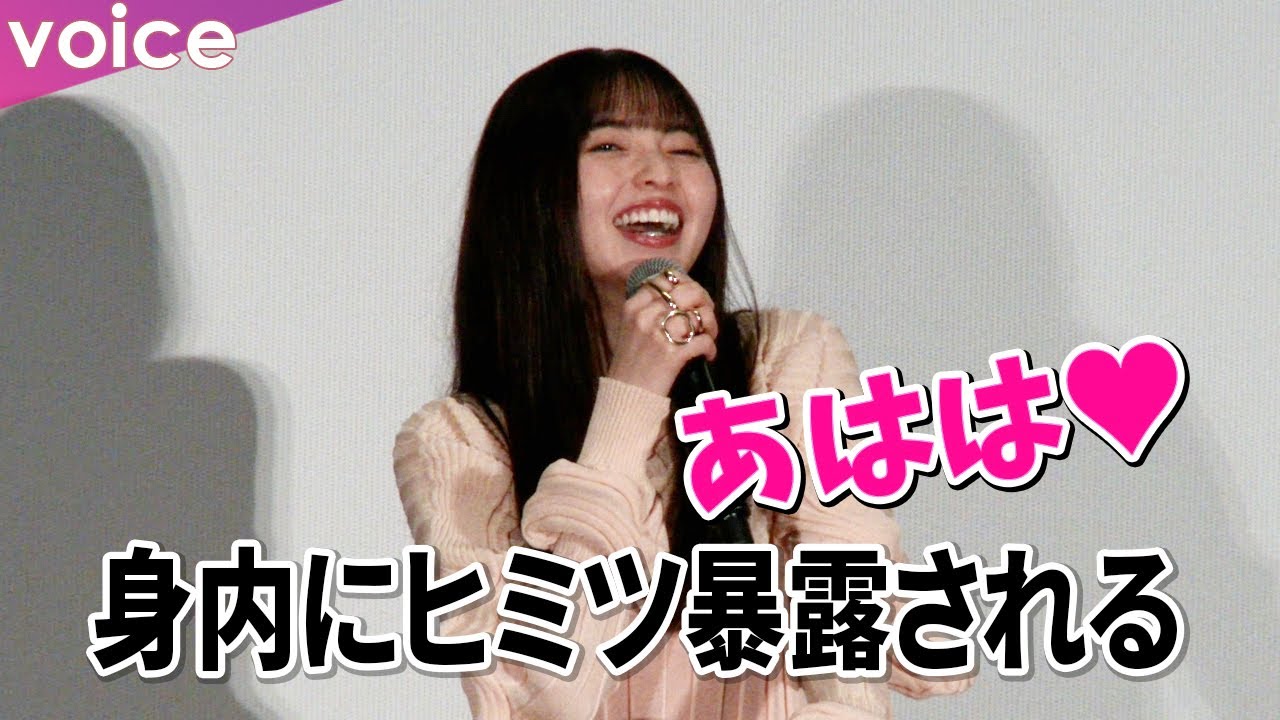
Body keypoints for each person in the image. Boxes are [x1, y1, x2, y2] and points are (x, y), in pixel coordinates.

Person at [394, 48, 969, 720]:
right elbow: (533, 693)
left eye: (684, 149)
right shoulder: (457, 442)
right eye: (609, 145)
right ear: (529, 191)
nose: (658, 172)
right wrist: (632, 397)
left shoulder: (786, 356)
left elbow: (851, 613)